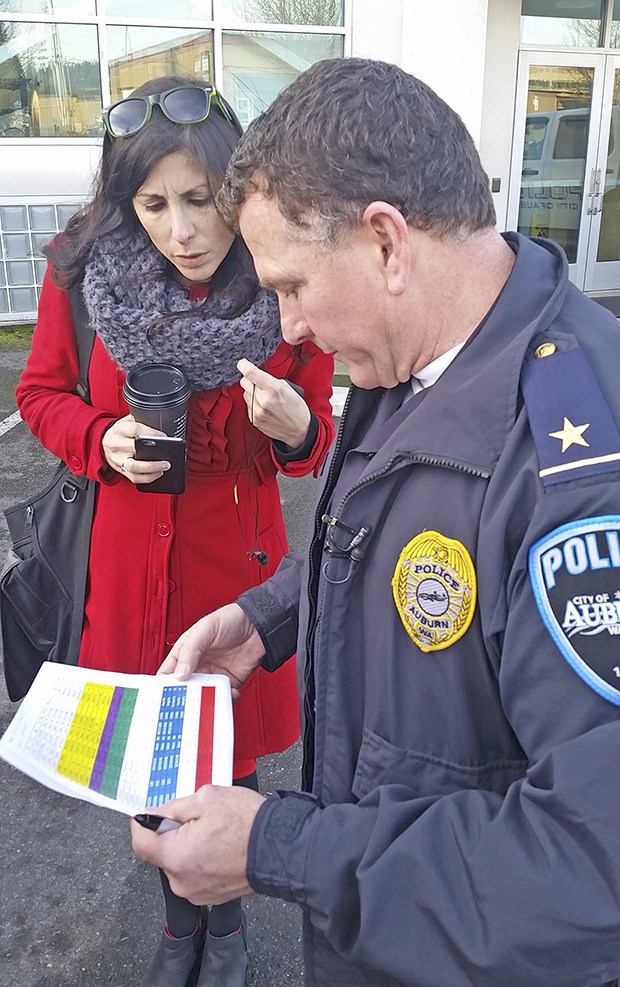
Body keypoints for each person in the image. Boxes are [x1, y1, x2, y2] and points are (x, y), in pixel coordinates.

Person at [130, 56, 620, 987]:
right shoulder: (421, 347)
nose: (288, 328)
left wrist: (282, 847)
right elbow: (392, 530)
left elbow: (595, 866)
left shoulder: (581, 471)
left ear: (388, 243)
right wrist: (266, 618)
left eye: (292, 286)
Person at [16, 74, 335, 987]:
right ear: (127, 201)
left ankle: (226, 922)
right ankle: (174, 922)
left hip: (237, 573)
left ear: (236, 190)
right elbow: (38, 395)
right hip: (125, 569)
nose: (181, 230)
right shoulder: (80, 273)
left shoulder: (281, 279)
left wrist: (298, 428)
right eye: (153, 203)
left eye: (200, 200)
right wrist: (97, 435)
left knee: (224, 754)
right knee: (150, 758)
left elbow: (319, 444)